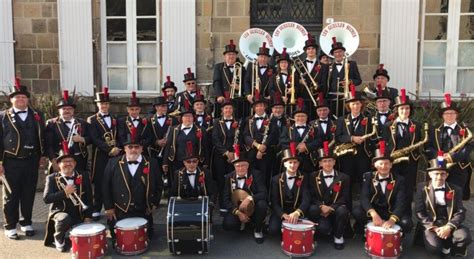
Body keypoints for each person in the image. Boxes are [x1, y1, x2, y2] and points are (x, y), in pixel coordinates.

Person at [0, 79, 46, 239]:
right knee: (11, 195)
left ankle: (26, 223)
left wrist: (42, 155)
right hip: (11, 161)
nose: (21, 99)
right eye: (17, 97)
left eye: (24, 97)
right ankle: (10, 226)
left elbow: (42, 136)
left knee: (28, 194)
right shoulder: (2, 116)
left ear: (28, 99)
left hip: (32, 160)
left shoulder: (37, 115)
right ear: (11, 99)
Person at [102, 128, 162, 240]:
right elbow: (106, 186)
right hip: (120, 209)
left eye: (137, 147)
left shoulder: (151, 163)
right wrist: (109, 207)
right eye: (130, 147)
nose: (133, 150)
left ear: (141, 149)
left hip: (143, 208)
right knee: (118, 239)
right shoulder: (113, 163)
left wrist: (154, 203)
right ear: (124, 148)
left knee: (148, 237)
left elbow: (159, 185)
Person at [415, 156, 472, 257]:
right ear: (430, 174)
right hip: (432, 223)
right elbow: (419, 212)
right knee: (434, 248)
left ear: (447, 175)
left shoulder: (456, 189)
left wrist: (449, 227)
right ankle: (439, 242)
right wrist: (434, 228)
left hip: (449, 222)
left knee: (465, 237)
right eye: (436, 173)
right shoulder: (421, 188)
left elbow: (460, 211)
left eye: (443, 174)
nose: (439, 177)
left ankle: (448, 248)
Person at [353, 140, 413, 235]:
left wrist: (392, 220)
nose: (383, 166)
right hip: (375, 210)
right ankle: (366, 229)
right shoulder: (368, 177)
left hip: (390, 211)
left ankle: (397, 237)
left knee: (407, 223)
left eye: (386, 163)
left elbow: (401, 202)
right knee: (357, 211)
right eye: (380, 164)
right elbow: (364, 198)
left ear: (391, 165)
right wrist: (373, 214)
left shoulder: (399, 179)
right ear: (375, 165)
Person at [43, 142, 93, 251]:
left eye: (70, 161)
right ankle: (58, 239)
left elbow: (89, 198)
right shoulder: (51, 178)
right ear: (59, 164)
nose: (68, 164)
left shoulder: (83, 175)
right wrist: (65, 192)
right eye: (64, 161)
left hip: (79, 213)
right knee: (64, 219)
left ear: (75, 163)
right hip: (60, 212)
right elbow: (46, 198)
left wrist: (88, 216)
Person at [382, 88, 423, 216]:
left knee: (408, 188)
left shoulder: (417, 125)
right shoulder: (388, 125)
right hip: (393, 161)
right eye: (402, 109)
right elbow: (384, 143)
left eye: (407, 109)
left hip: (410, 161)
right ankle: (391, 214)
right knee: (392, 187)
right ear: (397, 110)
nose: (404, 111)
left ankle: (406, 216)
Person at [426, 93, 473, 200]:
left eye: (452, 113)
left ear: (457, 115)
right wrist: (438, 156)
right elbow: (428, 147)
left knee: (456, 195)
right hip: (439, 167)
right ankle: (439, 215)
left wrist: (452, 157)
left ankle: (455, 216)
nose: (449, 115)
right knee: (439, 195)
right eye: (446, 113)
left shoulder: (465, 130)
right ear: (442, 116)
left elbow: (469, 147)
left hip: (459, 167)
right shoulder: (434, 130)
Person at [308, 141, 350, 250]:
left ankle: (338, 236)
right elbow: (311, 196)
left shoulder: (344, 177)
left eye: (330, 160)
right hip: (320, 211)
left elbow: (345, 197)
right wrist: (321, 206)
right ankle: (315, 234)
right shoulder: (313, 176)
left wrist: (332, 208)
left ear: (334, 162)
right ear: (320, 164)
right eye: (324, 161)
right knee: (313, 210)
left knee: (343, 211)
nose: (327, 163)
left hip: (335, 209)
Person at [222, 145, 268, 244]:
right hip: (237, 209)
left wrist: (250, 198)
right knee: (227, 224)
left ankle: (258, 229)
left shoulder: (256, 174)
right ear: (234, 167)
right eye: (238, 166)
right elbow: (225, 200)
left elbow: (264, 193)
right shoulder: (228, 177)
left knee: (262, 204)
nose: (241, 168)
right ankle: (241, 222)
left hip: (254, 208)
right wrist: (238, 213)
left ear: (248, 166)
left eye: (243, 165)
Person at [87, 87, 121, 220]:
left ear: (109, 105)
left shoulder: (115, 118)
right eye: (102, 104)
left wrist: (117, 147)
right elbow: (94, 138)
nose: (104, 106)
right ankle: (96, 208)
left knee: (114, 180)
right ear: (97, 104)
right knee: (100, 181)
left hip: (116, 153)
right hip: (100, 155)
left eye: (106, 104)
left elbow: (119, 135)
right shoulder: (92, 119)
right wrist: (109, 149)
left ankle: (114, 206)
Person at [335, 86, 373, 194]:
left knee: (364, 183)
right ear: (349, 105)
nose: (355, 106)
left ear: (361, 104)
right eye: (353, 104)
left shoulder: (368, 120)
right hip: (347, 157)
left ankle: (365, 207)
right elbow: (338, 137)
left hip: (363, 156)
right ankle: (347, 208)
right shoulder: (341, 120)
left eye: (357, 103)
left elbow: (373, 138)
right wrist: (352, 138)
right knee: (347, 184)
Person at [163, 100, 209, 187]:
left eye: (190, 116)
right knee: (177, 184)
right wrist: (165, 162)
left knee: (194, 184)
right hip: (177, 162)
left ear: (193, 118)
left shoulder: (200, 130)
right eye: (185, 116)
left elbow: (205, 146)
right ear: (181, 118)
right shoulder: (174, 129)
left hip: (195, 162)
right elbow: (169, 146)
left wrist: (206, 162)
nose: (188, 118)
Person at [269, 144, 310, 235]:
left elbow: (306, 199)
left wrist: (297, 212)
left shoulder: (304, 177)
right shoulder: (276, 179)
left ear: (298, 164)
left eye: (295, 162)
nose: (292, 165)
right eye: (290, 162)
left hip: (297, 209)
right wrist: (282, 214)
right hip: (282, 209)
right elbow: (274, 201)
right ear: (284, 164)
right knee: (273, 230)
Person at [45, 90, 89, 173]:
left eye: (69, 108)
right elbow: (48, 145)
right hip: (61, 161)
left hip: (80, 161)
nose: (67, 111)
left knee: (79, 184)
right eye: (64, 108)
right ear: (59, 111)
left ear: (73, 110)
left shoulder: (82, 123)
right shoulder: (52, 123)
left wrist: (82, 139)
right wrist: (54, 162)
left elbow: (90, 138)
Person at [211, 92, 241, 212]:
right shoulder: (217, 122)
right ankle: (223, 203)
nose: (228, 110)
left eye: (230, 108)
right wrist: (226, 153)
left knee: (233, 180)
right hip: (220, 156)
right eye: (226, 108)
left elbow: (241, 138)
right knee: (221, 180)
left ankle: (234, 202)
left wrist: (234, 153)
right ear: (222, 110)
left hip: (235, 156)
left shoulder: (239, 122)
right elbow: (215, 139)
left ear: (233, 110)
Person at [242, 90, 274, 188]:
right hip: (251, 153)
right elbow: (245, 136)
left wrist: (264, 147)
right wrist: (257, 145)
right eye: (257, 106)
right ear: (254, 108)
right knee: (252, 176)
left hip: (266, 153)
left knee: (265, 176)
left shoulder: (271, 119)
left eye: (261, 105)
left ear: (265, 107)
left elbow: (273, 135)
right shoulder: (248, 119)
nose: (259, 108)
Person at [279, 98, 318, 174]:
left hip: (308, 162)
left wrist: (306, 146)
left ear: (307, 117)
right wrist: (297, 145)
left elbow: (318, 141)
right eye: (298, 116)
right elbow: (283, 140)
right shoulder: (287, 128)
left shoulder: (313, 129)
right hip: (291, 161)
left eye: (303, 116)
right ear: (294, 117)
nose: (300, 118)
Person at [327, 37, 362, 117]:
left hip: (347, 99)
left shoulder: (352, 64)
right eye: (335, 52)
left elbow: (359, 80)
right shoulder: (328, 66)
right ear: (333, 54)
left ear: (343, 52)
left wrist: (349, 82)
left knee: (346, 119)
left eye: (340, 52)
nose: (338, 54)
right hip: (332, 98)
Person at [212, 39, 246, 118]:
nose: (231, 56)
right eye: (229, 54)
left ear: (236, 56)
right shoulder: (219, 67)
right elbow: (216, 82)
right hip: (224, 99)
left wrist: (240, 87)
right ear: (225, 56)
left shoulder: (241, 68)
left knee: (238, 119)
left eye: (233, 54)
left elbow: (246, 82)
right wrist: (219, 95)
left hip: (237, 100)